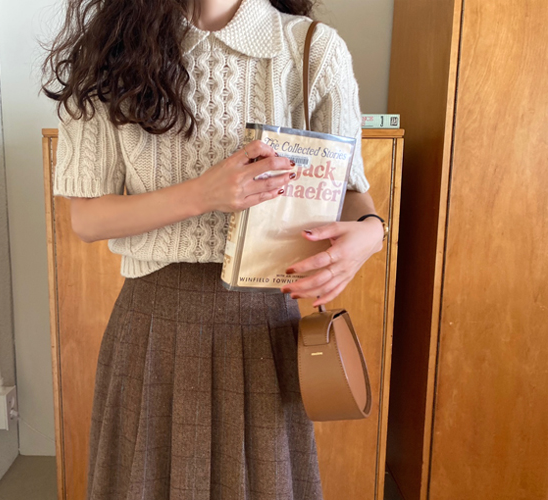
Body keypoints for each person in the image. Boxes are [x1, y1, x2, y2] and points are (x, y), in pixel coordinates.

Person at [42, 0, 385, 498]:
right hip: (152, 327)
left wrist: (372, 233)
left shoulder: (310, 50)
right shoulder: (110, 48)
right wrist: (204, 194)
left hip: (264, 328)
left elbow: (350, 193)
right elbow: (87, 218)